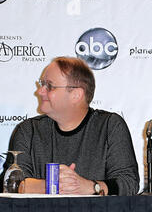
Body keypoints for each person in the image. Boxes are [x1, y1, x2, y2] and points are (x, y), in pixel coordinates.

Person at [0, 56, 139, 196]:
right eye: (42, 84)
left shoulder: (110, 126)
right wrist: (57, 185)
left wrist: (91, 187)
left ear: (76, 95)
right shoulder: (28, 130)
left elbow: (129, 183)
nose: (40, 91)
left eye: (49, 86)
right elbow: (11, 184)